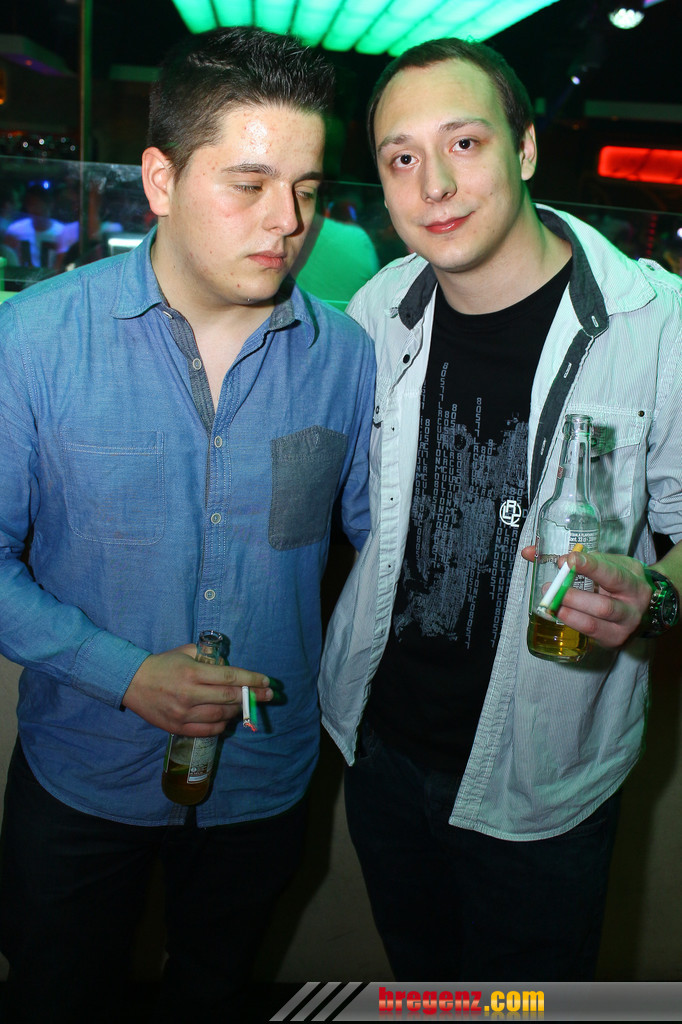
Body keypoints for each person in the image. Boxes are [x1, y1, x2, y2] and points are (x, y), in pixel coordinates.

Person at [0, 27, 374, 1022]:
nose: (288, 221)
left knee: (216, 994)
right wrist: (123, 672)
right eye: (249, 184)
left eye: (305, 188)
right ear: (159, 180)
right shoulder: (31, 341)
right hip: (84, 771)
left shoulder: (346, 356)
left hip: (264, 776)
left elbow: (380, 543)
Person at [319, 37, 682, 982]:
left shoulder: (656, 325)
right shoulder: (377, 311)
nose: (434, 184)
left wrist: (657, 596)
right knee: (423, 986)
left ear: (524, 148)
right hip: (383, 749)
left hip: (543, 780)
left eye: (465, 143)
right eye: (402, 157)